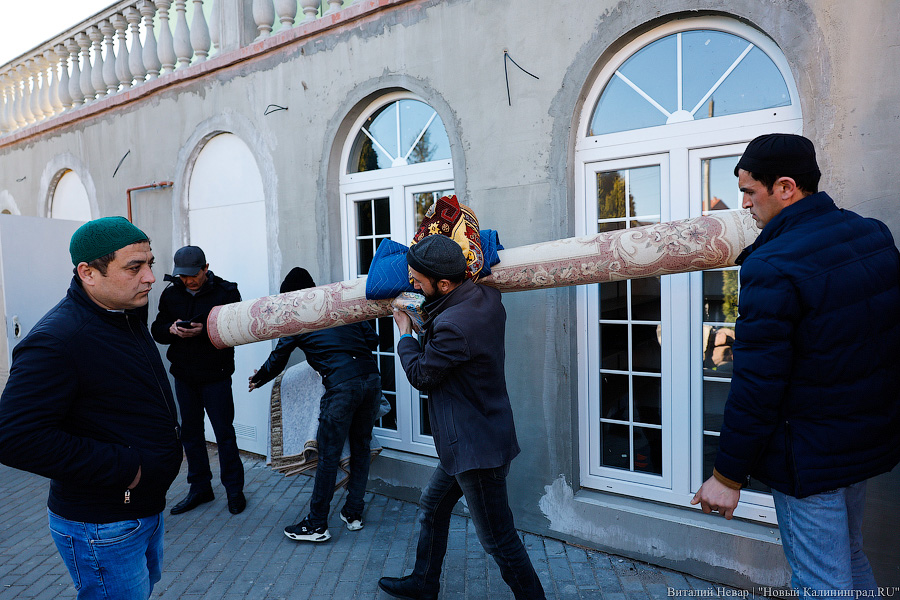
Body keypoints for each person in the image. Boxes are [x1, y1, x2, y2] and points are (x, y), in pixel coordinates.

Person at [691, 134, 900, 595]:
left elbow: (757, 385)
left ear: (786, 188)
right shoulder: (873, 233)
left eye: (750, 192)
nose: (743, 204)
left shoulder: (772, 264)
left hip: (809, 457)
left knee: (821, 582)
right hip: (861, 441)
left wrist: (727, 477)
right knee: (848, 557)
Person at [0, 217, 183, 600]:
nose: (150, 277)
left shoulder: (125, 316)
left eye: (150, 263)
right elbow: (14, 438)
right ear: (88, 273)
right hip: (102, 525)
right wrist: (129, 469)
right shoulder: (58, 340)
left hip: (141, 511)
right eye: (134, 268)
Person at [380, 234, 546, 600]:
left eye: (418, 281)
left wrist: (406, 335)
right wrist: (426, 314)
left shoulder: (454, 325)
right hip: (474, 437)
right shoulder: (485, 297)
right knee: (432, 508)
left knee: (499, 541)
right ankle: (424, 583)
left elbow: (422, 374)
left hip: (475, 451)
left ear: (443, 283)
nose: (411, 284)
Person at [248, 267, 382, 542]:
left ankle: (317, 524)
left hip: (342, 386)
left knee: (328, 455)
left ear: (290, 296)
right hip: (371, 380)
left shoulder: (296, 315)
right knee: (361, 447)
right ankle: (354, 513)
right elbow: (373, 339)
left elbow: (279, 358)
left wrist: (258, 379)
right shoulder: (337, 306)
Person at [150, 246, 246, 515]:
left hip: (216, 376)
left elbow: (237, 329)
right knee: (190, 435)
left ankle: (234, 490)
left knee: (224, 434)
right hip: (184, 376)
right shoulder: (171, 294)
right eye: (183, 276)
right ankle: (200, 488)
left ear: (205, 268)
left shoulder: (226, 293)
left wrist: (205, 331)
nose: (188, 281)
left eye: (193, 275)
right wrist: (170, 330)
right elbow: (157, 329)